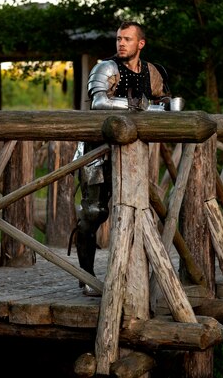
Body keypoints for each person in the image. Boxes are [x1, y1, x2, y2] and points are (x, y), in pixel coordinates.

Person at [71, 20, 175, 296]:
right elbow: (99, 103)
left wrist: (165, 107)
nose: (120, 43)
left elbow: (164, 102)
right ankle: (86, 277)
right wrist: (141, 107)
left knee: (132, 208)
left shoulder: (152, 71)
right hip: (96, 149)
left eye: (127, 39)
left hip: (131, 152)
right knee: (93, 213)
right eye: (119, 38)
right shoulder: (106, 67)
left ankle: (127, 274)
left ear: (140, 43)